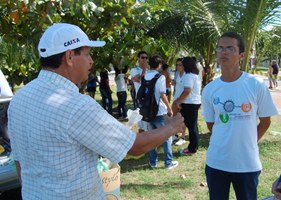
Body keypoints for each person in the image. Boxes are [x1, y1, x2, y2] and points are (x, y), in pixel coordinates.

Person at [7, 23, 185, 200]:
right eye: (87, 54)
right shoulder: (75, 104)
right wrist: (172, 127)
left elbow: (20, 162)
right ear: (69, 56)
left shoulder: (20, 98)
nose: (91, 61)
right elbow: (136, 146)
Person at [201, 31, 278, 200]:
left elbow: (265, 121)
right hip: (216, 162)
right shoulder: (209, 90)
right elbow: (211, 125)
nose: (224, 52)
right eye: (220, 48)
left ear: (241, 55)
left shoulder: (256, 84)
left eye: (230, 48)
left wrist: (248, 142)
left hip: (247, 164)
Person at [145, 55, 178, 169]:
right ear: (159, 65)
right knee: (167, 137)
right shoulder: (160, 77)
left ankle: (153, 162)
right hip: (159, 111)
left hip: (148, 112)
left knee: (151, 138)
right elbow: (163, 94)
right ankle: (168, 163)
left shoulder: (145, 75)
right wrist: (169, 108)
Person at [173, 57, 201, 154]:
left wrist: (178, 101)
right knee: (192, 126)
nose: (181, 65)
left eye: (182, 64)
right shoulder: (194, 75)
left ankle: (192, 149)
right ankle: (193, 147)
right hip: (193, 103)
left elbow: (187, 90)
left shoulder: (188, 76)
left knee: (192, 127)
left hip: (190, 103)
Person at [130, 51, 150, 132]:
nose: (144, 59)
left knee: (149, 121)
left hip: (149, 97)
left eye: (146, 58)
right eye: (142, 57)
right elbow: (138, 79)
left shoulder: (149, 70)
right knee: (141, 122)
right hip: (140, 98)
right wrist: (144, 68)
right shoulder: (134, 70)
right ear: (138, 59)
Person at [171, 58, 187, 146]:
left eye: (180, 65)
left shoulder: (187, 75)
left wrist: (180, 100)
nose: (178, 66)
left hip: (183, 100)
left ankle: (183, 137)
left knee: (183, 118)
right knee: (175, 117)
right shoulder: (176, 73)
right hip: (176, 98)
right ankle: (175, 134)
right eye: (177, 65)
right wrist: (173, 82)